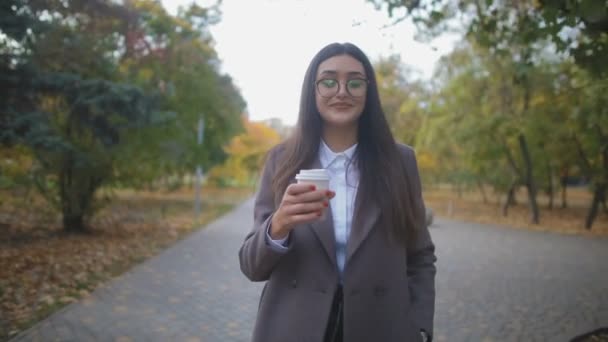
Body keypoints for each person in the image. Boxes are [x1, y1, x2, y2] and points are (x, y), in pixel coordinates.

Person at [239, 42, 437, 342]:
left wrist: (420, 325)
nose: (342, 91)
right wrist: (278, 226)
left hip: (381, 327)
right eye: (329, 81)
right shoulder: (282, 160)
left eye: (355, 82)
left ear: (368, 92)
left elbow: (420, 254)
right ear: (313, 90)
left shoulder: (401, 162)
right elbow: (252, 266)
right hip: (294, 327)